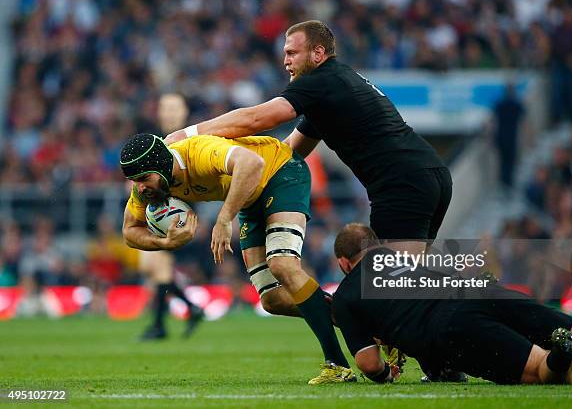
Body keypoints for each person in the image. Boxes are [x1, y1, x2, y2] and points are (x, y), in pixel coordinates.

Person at [163, 20, 452, 254]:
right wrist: (228, 175)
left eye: (292, 53)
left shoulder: (321, 81)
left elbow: (257, 118)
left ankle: (481, 317)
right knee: (413, 284)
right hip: (429, 173)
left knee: (396, 291)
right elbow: (288, 153)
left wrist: (188, 134)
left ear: (317, 54)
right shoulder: (332, 90)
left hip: (401, 183)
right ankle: (469, 313)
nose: (286, 61)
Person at [119, 132, 355, 384]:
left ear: (161, 165)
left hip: (279, 172)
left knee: (281, 264)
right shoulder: (145, 188)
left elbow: (252, 163)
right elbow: (129, 231)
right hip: (249, 199)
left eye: (144, 178)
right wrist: (165, 242)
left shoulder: (198, 152)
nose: (140, 187)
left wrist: (223, 218)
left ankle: (337, 364)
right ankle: (364, 321)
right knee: (272, 300)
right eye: (135, 181)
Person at [331, 223, 572, 384]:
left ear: (343, 262)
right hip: (477, 290)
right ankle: (567, 339)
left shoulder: (345, 296)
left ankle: (560, 352)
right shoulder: (402, 258)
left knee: (541, 371)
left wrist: (384, 374)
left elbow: (368, 363)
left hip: (451, 325)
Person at [138, 93, 203, 340]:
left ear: (185, 111)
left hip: (175, 211)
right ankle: (190, 308)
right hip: (155, 211)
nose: (169, 112)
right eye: (165, 107)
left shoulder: (192, 138)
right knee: (153, 268)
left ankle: (159, 325)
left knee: (158, 266)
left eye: (175, 107)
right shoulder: (154, 140)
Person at [493, 83, 525, 190]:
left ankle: (504, 183)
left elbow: (493, 121)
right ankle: (508, 183)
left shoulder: (499, 103)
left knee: (503, 161)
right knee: (510, 161)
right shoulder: (516, 104)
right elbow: (524, 120)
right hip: (511, 137)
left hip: (500, 136)